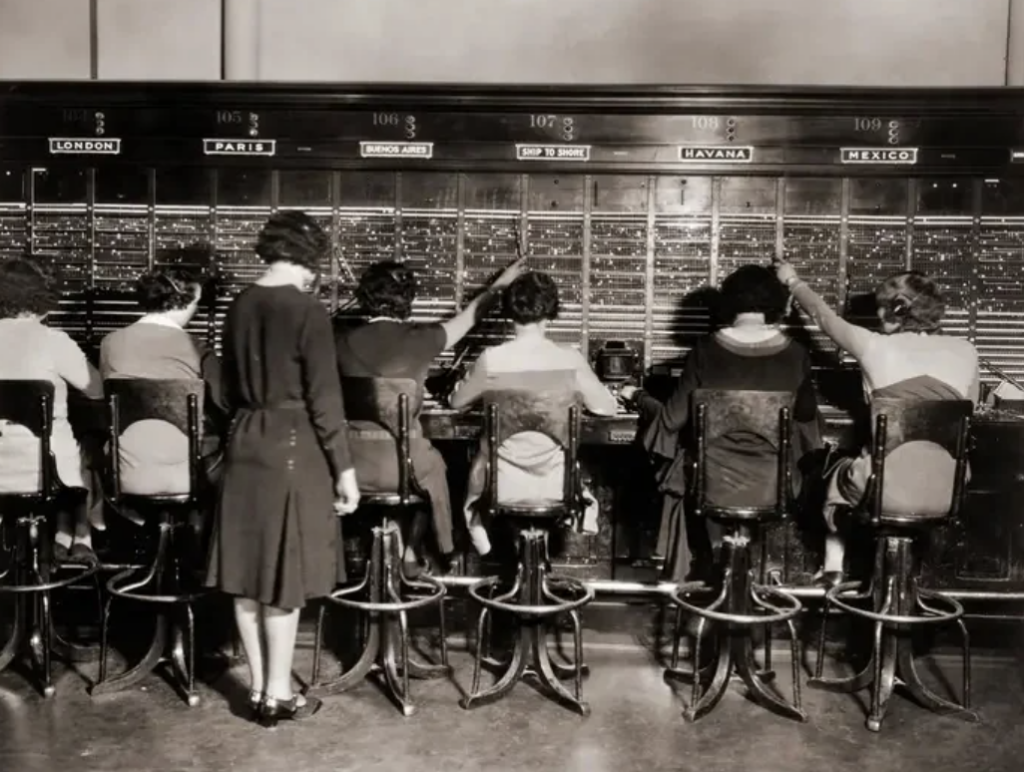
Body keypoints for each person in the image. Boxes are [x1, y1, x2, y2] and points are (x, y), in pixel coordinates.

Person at [204, 211, 360, 727]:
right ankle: (279, 693)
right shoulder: (306, 309)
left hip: (245, 441)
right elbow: (324, 398)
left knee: (248, 575)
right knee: (284, 577)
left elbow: (224, 389)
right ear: (309, 257)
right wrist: (345, 470)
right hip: (294, 448)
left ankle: (257, 689)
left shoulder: (239, 304)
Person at [774, 261, 979, 584]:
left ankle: (833, 568)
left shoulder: (874, 346)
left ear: (893, 311)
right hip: (948, 490)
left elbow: (823, 318)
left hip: (882, 488)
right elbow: (971, 409)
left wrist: (792, 280)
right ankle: (908, 582)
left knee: (834, 474)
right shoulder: (967, 351)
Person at [621, 265, 824, 582]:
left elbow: (672, 419)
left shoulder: (704, 350)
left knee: (678, 469)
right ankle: (746, 573)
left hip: (712, 484)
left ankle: (713, 563)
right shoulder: (797, 353)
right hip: (775, 486)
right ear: (776, 302)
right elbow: (806, 417)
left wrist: (639, 398)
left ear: (729, 302)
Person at [334, 256, 525, 575]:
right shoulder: (422, 339)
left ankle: (390, 554)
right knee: (435, 468)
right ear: (409, 299)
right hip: (406, 466)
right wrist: (501, 283)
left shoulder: (338, 344)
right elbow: (469, 318)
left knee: (421, 472)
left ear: (365, 297)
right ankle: (428, 550)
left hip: (353, 466)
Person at [450, 271, 618, 555]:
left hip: (500, 485)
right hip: (556, 486)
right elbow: (607, 407)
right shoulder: (569, 359)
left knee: (477, 456)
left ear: (509, 312)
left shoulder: (492, 359)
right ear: (551, 313)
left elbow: (457, 403)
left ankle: (480, 530)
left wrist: (459, 386)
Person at [0, 257, 104, 563]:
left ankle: (63, 535)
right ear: (42, 298)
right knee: (84, 446)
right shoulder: (54, 341)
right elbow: (95, 389)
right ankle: (79, 536)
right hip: (47, 474)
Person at [99, 266, 226, 499]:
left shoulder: (110, 342)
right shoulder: (197, 349)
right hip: (190, 474)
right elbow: (224, 403)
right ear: (182, 303)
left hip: (125, 472)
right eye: (196, 304)